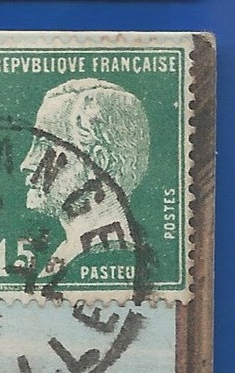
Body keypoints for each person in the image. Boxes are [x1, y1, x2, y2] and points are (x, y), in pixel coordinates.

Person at [18, 78, 151, 281]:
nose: (27, 163)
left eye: (45, 146)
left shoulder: (111, 256)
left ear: (97, 163)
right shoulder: (70, 251)